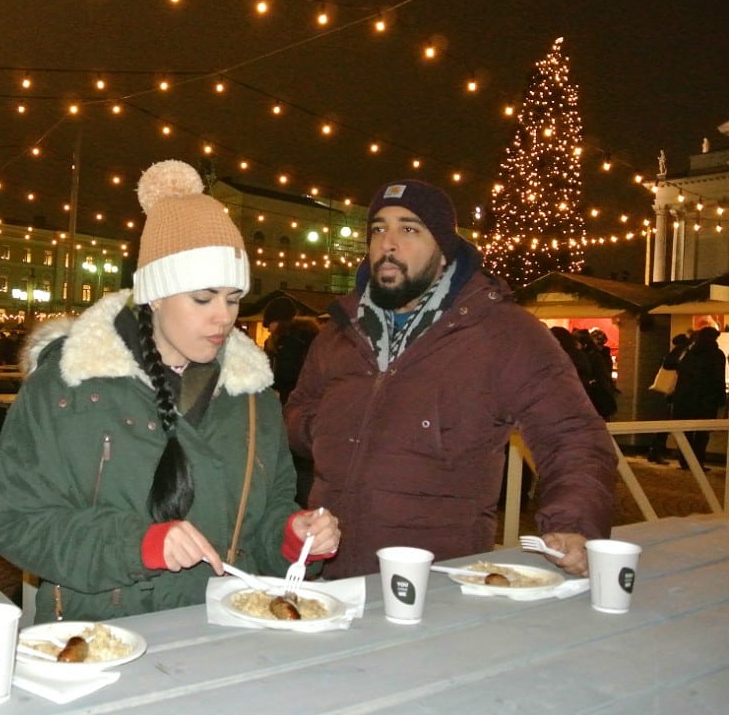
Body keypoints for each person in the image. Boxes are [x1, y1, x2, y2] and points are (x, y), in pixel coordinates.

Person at [0, 159, 340, 622]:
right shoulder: (68, 387)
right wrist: (139, 545)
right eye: (203, 298)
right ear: (154, 293)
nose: (224, 317)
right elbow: (17, 523)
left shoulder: (254, 396)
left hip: (227, 635)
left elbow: (265, 517)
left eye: (233, 299)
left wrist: (294, 536)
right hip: (100, 643)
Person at [285, 179, 617, 580]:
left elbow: (573, 435)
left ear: (444, 249)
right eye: (378, 229)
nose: (388, 243)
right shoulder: (338, 332)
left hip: (439, 581)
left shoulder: (501, 332)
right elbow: (298, 413)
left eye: (409, 229)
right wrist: (328, 426)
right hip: (331, 575)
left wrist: (574, 523)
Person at [261, 296, 320, 507]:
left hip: (294, 409)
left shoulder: (289, 341)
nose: (269, 330)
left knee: (293, 468)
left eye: (270, 325)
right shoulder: (310, 338)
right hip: (310, 412)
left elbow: (282, 376)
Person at [671, 326, 727, 470]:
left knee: (686, 432)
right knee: (702, 433)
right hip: (706, 401)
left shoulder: (688, 353)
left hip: (685, 399)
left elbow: (675, 369)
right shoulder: (716, 354)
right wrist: (721, 399)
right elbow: (718, 378)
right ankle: (698, 462)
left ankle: (685, 461)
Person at [647, 333, 690, 464]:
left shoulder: (673, 353)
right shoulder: (680, 354)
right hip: (671, 393)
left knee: (665, 424)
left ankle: (655, 451)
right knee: (666, 424)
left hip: (667, 393)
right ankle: (656, 451)